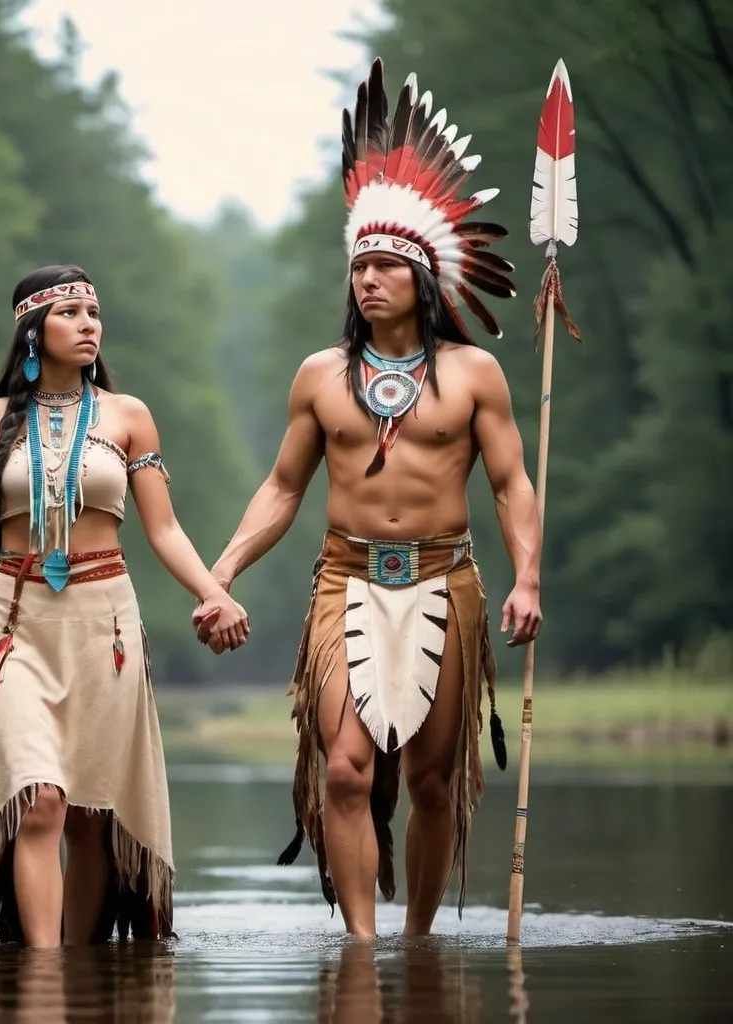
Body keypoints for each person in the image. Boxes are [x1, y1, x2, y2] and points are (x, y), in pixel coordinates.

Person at [194, 59, 542, 938]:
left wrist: (527, 579)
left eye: (387, 265)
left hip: (443, 581)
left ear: (423, 277)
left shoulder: (474, 374)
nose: (369, 280)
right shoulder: (320, 376)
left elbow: (510, 483)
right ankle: (361, 949)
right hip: (344, 582)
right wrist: (221, 570)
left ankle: (418, 944)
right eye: (360, 267)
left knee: (430, 781)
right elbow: (283, 485)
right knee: (345, 773)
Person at [0, 264, 250, 948]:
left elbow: (163, 529)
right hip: (14, 624)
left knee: (87, 815)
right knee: (39, 798)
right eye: (70, 313)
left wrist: (213, 593)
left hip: (104, 623)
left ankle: (79, 966)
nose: (88, 326)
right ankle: (41, 981)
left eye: (93, 314)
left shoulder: (128, 415)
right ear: (31, 330)